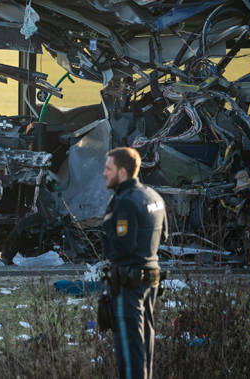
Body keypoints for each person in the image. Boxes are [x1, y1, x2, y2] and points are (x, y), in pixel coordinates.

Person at [101, 147, 168, 379]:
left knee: (130, 353)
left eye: (108, 168)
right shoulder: (153, 196)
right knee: (144, 347)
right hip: (150, 281)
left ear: (122, 172)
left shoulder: (125, 202)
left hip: (128, 284)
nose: (103, 173)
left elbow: (121, 247)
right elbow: (164, 237)